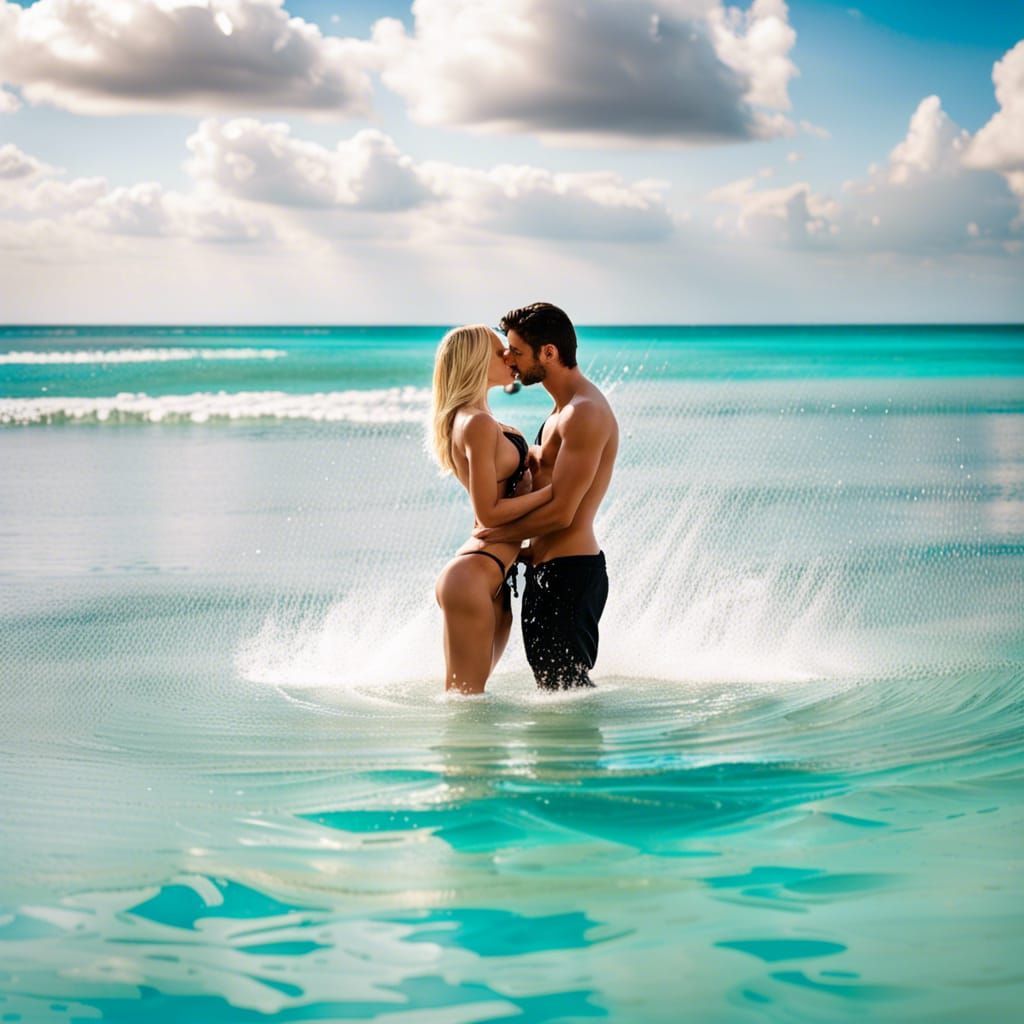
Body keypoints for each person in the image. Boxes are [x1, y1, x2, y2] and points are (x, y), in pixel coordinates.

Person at [476, 303, 619, 690]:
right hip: (546, 572)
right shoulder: (560, 412)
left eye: (517, 351)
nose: (511, 360)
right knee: (554, 691)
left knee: (567, 695)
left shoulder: (584, 413)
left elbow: (562, 512)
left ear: (549, 353)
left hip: (569, 575)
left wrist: (495, 536)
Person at [431, 324, 553, 694]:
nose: (509, 357)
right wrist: (556, 496)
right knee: (465, 703)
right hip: (473, 576)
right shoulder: (477, 423)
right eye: (499, 351)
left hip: (496, 575)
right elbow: (489, 513)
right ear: (475, 361)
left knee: (470, 702)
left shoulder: (480, 422)